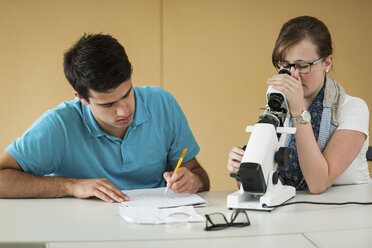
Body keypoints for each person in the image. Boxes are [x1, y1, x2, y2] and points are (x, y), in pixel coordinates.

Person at [0, 33, 210, 202]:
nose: (123, 111)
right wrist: (71, 186)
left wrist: (194, 181)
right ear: (82, 98)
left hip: (155, 226)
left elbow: (200, 176)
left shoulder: (162, 104)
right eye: (108, 104)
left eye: (127, 94)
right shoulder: (60, 125)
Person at [227, 16, 370, 194]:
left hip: (348, 210)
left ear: (327, 62)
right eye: (285, 65)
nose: (293, 75)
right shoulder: (278, 106)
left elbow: (318, 184)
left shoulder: (353, 108)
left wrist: (298, 112)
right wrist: (243, 171)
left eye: (302, 66)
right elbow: (263, 183)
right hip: (294, 207)